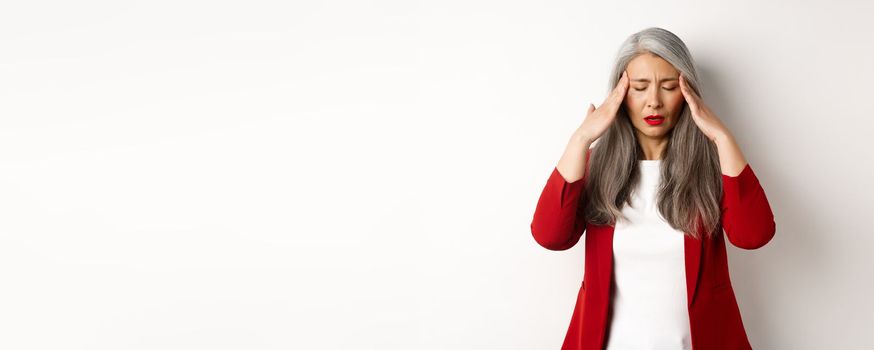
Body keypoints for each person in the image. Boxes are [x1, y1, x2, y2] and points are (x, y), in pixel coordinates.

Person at [530, 27, 776, 350]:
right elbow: (550, 235)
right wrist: (581, 139)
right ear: (619, 94)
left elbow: (755, 234)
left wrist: (722, 138)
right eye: (640, 87)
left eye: (669, 86)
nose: (654, 102)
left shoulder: (712, 168)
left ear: (688, 93)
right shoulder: (594, 168)